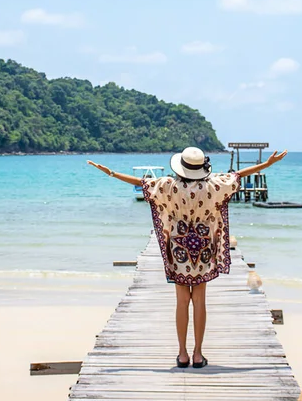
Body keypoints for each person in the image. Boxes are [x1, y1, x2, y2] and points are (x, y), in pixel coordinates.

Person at [87, 146, 287, 369]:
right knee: (200, 300)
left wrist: (112, 173)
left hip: (179, 247)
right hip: (201, 247)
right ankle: (198, 355)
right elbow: (239, 175)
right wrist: (267, 165)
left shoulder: (168, 186)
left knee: (182, 301)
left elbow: (140, 183)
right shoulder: (213, 185)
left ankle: (182, 354)